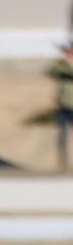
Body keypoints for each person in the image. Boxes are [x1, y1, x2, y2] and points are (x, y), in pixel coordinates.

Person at [51, 41, 73, 173]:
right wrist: (64, 61)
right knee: (62, 135)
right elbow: (52, 70)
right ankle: (62, 162)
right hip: (63, 105)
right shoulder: (61, 66)